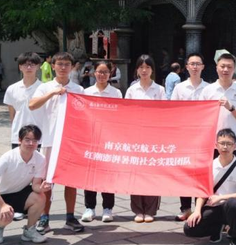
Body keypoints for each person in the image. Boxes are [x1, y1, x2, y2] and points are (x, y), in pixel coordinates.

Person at [29, 52, 85, 234]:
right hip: (49, 140)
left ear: (72, 67)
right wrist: (52, 93)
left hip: (71, 142)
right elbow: (32, 104)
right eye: (59, 64)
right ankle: (44, 218)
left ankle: (70, 217)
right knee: (47, 181)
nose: (63, 67)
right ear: (52, 66)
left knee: (71, 180)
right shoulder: (45, 87)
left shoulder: (78, 89)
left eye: (67, 64)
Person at [183, 128, 236, 245]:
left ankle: (234, 238)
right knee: (189, 229)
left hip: (231, 208)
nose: (225, 147)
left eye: (229, 144)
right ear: (216, 145)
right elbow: (203, 192)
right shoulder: (210, 165)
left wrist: (221, 198)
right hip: (212, 207)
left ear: (235, 146)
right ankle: (216, 228)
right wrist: (197, 211)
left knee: (233, 202)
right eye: (222, 143)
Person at [0, 125, 50, 244]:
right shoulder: (8, 157)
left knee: (40, 197)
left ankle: (30, 230)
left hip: (18, 192)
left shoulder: (40, 159)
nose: (31, 143)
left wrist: (41, 188)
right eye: (27, 140)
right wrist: (2, 205)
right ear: (20, 140)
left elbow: (35, 185)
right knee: (5, 216)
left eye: (34, 140)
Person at [81, 61, 123, 223]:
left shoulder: (116, 93)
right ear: (94, 73)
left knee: (107, 174)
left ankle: (108, 208)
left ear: (110, 74)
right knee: (90, 174)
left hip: (108, 138)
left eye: (105, 72)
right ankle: (89, 208)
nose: (102, 75)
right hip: (90, 138)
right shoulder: (86, 92)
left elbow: (120, 115)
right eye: (99, 71)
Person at [124, 54, 164, 223]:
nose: (144, 70)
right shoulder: (132, 90)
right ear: (137, 70)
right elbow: (126, 112)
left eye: (147, 67)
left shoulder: (159, 90)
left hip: (153, 137)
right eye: (141, 67)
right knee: (136, 173)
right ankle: (138, 209)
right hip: (136, 137)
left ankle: (150, 209)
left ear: (152, 70)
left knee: (152, 173)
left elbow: (164, 112)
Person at [171, 53, 209, 221]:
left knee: (201, 172)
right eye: (192, 64)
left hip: (204, 136)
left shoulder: (209, 88)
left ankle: (200, 208)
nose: (195, 67)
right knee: (184, 172)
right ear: (186, 67)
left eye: (198, 64)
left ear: (203, 67)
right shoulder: (179, 88)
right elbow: (174, 110)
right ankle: (185, 208)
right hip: (184, 136)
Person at [200, 53, 236, 153]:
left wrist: (231, 108)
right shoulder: (207, 90)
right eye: (222, 66)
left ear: (234, 69)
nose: (225, 69)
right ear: (216, 68)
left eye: (229, 67)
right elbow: (201, 117)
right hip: (212, 143)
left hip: (233, 144)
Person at [4, 52, 42, 149]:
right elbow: (12, 115)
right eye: (25, 65)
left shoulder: (44, 88)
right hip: (18, 136)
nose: (29, 68)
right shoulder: (12, 89)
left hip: (39, 136)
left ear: (38, 67)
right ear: (20, 67)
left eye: (32, 65)